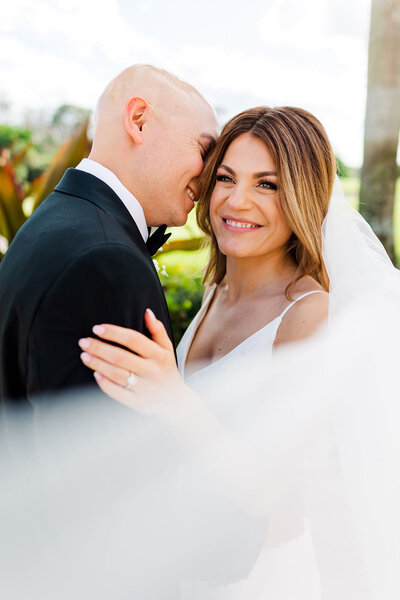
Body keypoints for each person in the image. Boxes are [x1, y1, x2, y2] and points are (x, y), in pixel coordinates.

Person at [0, 64, 218, 402]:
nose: (208, 178)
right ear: (139, 120)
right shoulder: (106, 261)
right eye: (204, 150)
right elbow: (96, 447)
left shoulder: (53, 217)